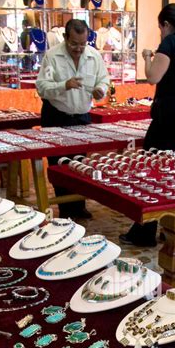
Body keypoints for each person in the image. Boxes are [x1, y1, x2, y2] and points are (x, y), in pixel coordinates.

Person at [119, 3, 175, 247]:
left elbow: (153, 77)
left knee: (153, 171)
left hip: (169, 117)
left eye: (160, 28)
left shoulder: (170, 43)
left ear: (166, 24)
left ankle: (145, 231)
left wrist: (148, 58)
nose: (160, 33)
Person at [36, 18, 110, 218]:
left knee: (80, 163)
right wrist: (63, 85)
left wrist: (100, 90)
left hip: (82, 118)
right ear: (65, 38)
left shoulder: (94, 56)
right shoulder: (52, 56)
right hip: (56, 116)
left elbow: (104, 79)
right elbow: (41, 87)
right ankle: (65, 210)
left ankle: (79, 206)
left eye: (82, 44)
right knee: (59, 165)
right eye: (74, 44)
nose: (78, 49)